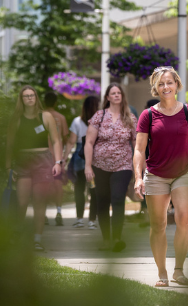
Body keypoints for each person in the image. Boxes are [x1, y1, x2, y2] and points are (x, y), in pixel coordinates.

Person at [133, 67, 188, 288]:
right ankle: (162, 272)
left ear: (177, 84)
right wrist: (138, 177)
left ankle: (178, 270)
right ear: (156, 87)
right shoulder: (148, 115)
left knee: (184, 219)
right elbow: (139, 149)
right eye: (161, 84)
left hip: (184, 172)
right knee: (158, 225)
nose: (165, 87)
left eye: (169, 82)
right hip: (156, 174)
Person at [5, 85, 64, 252]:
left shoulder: (45, 116)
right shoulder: (15, 119)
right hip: (22, 161)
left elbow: (56, 140)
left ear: (36, 98)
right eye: (26, 96)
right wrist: (8, 167)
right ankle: (17, 236)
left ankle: (37, 239)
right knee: (22, 202)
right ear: (21, 99)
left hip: (42, 161)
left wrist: (57, 162)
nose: (29, 98)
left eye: (32, 95)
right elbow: (9, 144)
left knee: (39, 202)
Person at [84, 83, 137, 252]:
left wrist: (138, 167)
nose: (116, 95)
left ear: (122, 96)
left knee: (118, 199)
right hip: (100, 166)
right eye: (113, 93)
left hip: (123, 165)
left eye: (119, 93)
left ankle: (117, 239)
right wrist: (88, 166)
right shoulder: (99, 116)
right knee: (102, 202)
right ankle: (106, 239)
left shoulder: (130, 117)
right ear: (107, 97)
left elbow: (136, 143)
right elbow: (89, 142)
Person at [66, 95, 99, 229]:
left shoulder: (77, 121)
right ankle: (92, 220)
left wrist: (63, 159)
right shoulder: (100, 121)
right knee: (93, 190)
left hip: (80, 157)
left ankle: (79, 219)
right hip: (96, 156)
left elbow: (71, 142)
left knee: (79, 189)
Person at [43, 91, 69, 226]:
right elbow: (65, 139)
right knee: (58, 185)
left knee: (42, 186)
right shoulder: (61, 118)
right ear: (55, 103)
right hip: (56, 158)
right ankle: (59, 212)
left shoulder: (39, 117)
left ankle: (44, 214)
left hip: (42, 157)